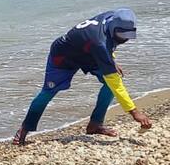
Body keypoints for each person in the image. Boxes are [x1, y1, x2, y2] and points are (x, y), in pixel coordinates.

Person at [13, 8, 152, 145]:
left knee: (111, 83)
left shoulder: (112, 17)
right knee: (48, 92)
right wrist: (134, 112)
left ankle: (95, 124)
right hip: (63, 57)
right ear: (113, 27)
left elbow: (108, 46)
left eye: (128, 36)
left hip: (90, 53)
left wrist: (111, 60)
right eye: (121, 36)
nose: (124, 40)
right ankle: (25, 128)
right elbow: (114, 78)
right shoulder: (99, 41)